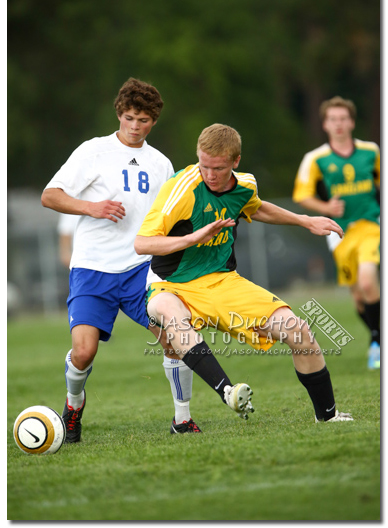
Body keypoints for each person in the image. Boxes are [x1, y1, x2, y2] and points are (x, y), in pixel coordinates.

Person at [134, 123, 353, 423]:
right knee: (170, 317)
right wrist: (192, 238)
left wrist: (305, 221)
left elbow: (256, 207)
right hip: (171, 285)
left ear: (235, 162)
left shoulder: (246, 184)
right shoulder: (181, 188)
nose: (209, 174)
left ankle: (327, 418)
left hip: (222, 281)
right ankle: (227, 391)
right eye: (204, 165)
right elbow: (142, 243)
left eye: (219, 168)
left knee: (297, 330)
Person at [41, 77, 200, 442]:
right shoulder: (92, 151)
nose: (134, 126)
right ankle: (73, 407)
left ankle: (182, 418)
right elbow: (50, 196)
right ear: (119, 114)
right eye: (129, 117)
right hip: (92, 267)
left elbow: (170, 215)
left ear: (154, 121)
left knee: (172, 336)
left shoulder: (161, 163)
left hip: (140, 269)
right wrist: (91, 207)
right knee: (83, 352)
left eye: (142, 120)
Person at [293, 96, 380, 370]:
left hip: (371, 225)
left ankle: (377, 342)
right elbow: (302, 196)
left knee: (368, 282)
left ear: (352, 122)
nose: (339, 124)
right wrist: (326, 206)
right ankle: (377, 337)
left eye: (343, 118)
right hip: (339, 233)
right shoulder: (315, 158)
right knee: (358, 295)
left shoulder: (371, 151)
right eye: (333, 119)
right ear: (325, 124)